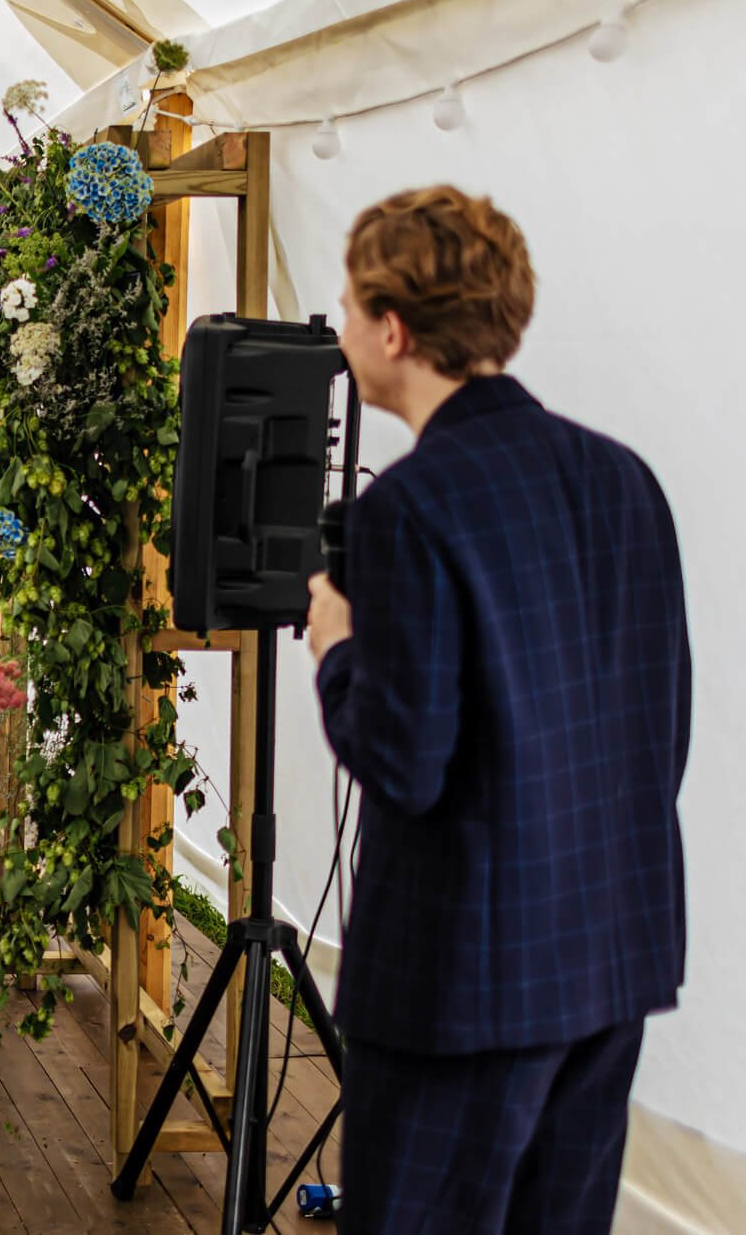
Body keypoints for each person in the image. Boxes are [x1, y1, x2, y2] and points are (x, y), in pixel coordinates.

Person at [304, 187, 689, 1234]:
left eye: (344, 304)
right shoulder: (624, 480)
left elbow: (402, 758)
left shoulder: (407, 507)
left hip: (457, 983)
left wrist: (334, 645)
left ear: (391, 328)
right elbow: (663, 727)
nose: (337, 328)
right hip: (611, 953)